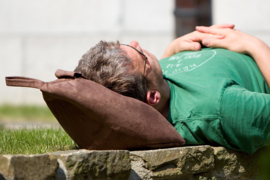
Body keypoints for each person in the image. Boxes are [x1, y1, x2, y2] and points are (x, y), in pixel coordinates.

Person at [74, 24, 270, 154]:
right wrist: (253, 44)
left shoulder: (154, 87)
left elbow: (154, 93)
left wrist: (173, 49)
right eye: (141, 56)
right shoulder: (218, 110)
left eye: (125, 45)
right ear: (152, 97)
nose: (136, 44)